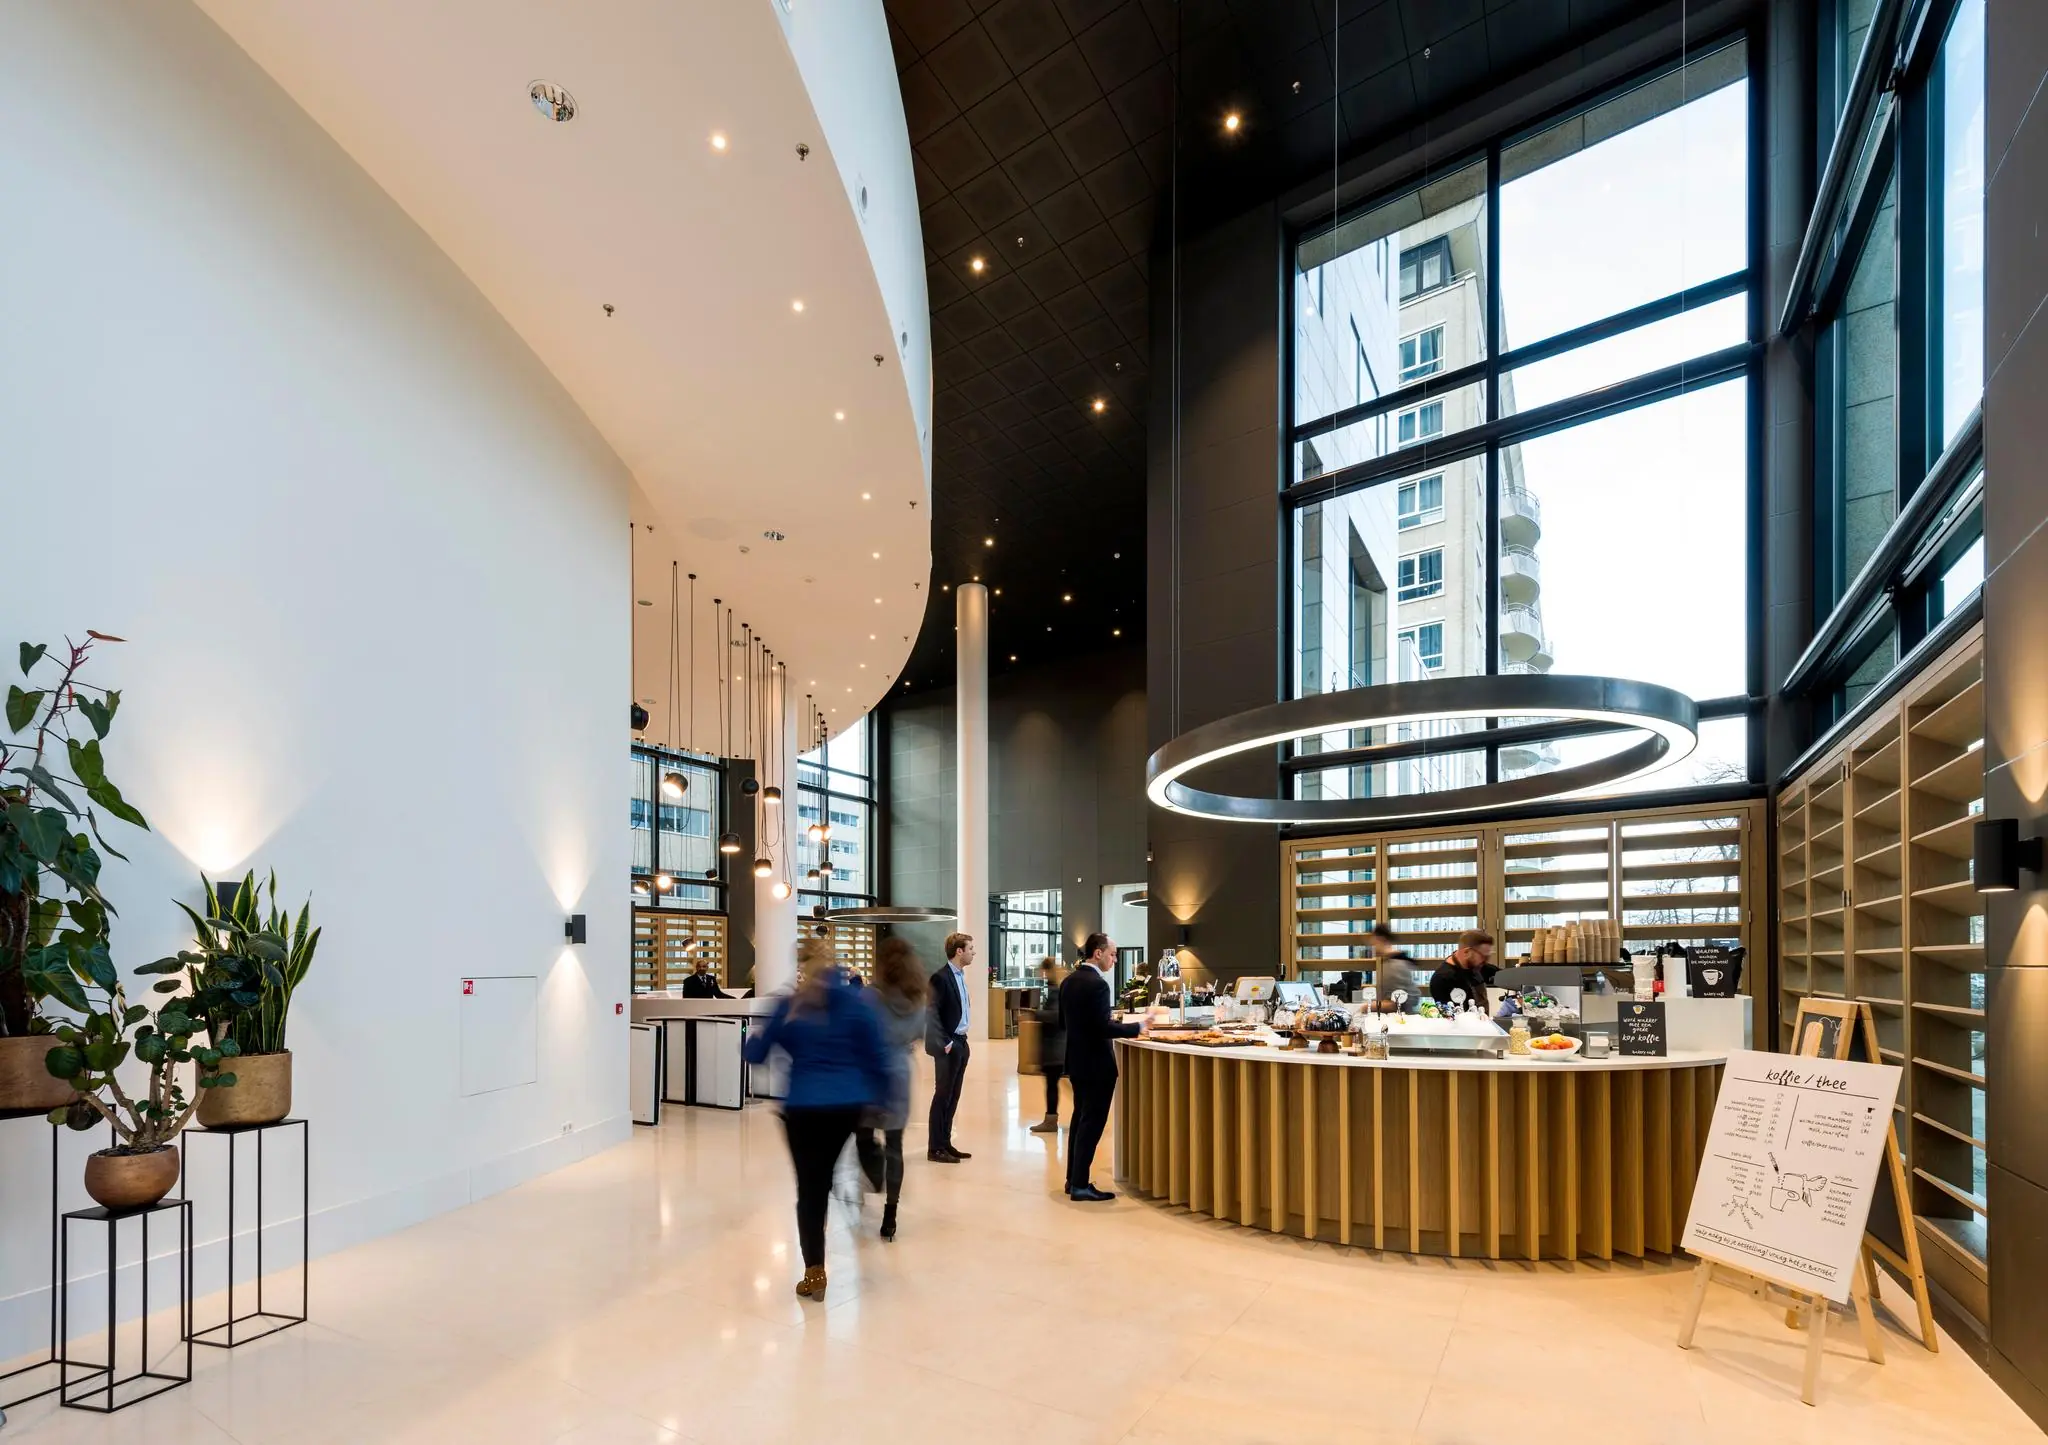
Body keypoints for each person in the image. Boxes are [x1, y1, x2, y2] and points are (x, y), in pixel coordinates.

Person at [742, 937, 889, 1299]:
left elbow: (756, 1054)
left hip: (804, 1108)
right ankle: (847, 1177)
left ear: (801, 965)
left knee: (810, 1190)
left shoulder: (791, 1004)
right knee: (825, 1173)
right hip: (847, 1108)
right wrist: (880, 1100)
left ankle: (814, 1272)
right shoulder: (857, 1002)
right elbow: (877, 1057)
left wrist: (755, 1036)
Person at [1059, 932, 1145, 1202]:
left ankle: (1073, 1179)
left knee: (1079, 1121)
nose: (1115, 960)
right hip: (1096, 1065)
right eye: (1113, 954)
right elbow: (1102, 1028)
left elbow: (1065, 1022)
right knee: (1092, 1125)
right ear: (1098, 953)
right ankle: (1080, 1185)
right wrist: (1138, 1027)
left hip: (1076, 1061)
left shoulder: (1069, 981)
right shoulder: (1097, 985)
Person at [855, 937, 927, 1241]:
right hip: (899, 1075)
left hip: (870, 1074)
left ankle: (876, 1175)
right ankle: (890, 1215)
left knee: (863, 1136)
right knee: (896, 1145)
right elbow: (919, 1034)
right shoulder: (918, 998)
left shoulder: (870, 996)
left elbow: (856, 1032)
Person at [923, 932, 975, 1162]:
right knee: (942, 1095)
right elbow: (931, 1012)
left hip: (961, 1042)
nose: (974, 952)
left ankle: (945, 1142)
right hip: (949, 1044)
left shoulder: (960, 976)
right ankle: (935, 1148)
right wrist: (946, 1042)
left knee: (953, 1096)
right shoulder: (940, 977)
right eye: (970, 948)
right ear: (959, 951)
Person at [1029, 955, 1066, 1134]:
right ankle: (1051, 1119)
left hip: (1055, 1048)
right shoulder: (1055, 988)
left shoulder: (1055, 991)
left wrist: (1036, 1014)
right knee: (1054, 1084)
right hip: (1055, 1047)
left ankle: (1051, 1120)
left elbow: (1057, 1016)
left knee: (1052, 1085)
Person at [1428, 929, 1497, 1013]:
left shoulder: (1476, 965)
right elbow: (1448, 1016)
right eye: (1483, 957)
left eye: (1488, 957)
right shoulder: (1442, 979)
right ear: (1466, 952)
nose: (1485, 961)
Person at [1367, 923, 1417, 1010]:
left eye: (1374, 944)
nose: (1372, 948)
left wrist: (1367, 1007)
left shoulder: (1395, 966)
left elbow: (1397, 1003)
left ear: (1381, 940)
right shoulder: (1391, 963)